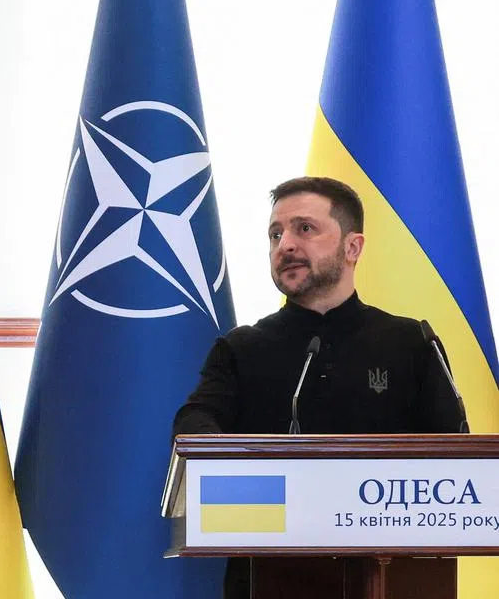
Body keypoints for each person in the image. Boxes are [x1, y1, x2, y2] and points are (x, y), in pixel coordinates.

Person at [173, 176, 463, 598]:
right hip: (268, 578)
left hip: (392, 579)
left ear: (352, 247)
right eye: (275, 234)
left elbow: (454, 456)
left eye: (304, 229)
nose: (284, 245)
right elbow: (195, 422)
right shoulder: (240, 348)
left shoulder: (412, 342)